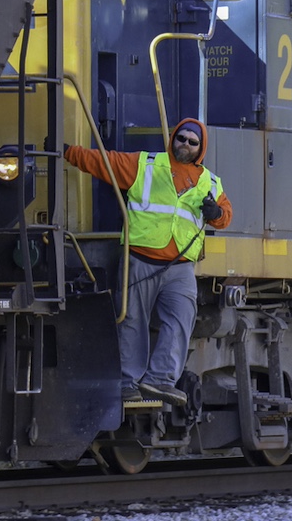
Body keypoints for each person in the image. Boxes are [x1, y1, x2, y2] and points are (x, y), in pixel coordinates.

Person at [62, 118, 231, 405]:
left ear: (201, 148)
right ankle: (128, 382)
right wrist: (66, 151)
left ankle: (161, 380)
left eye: (193, 142)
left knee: (180, 320)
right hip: (139, 261)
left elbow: (225, 215)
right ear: (172, 139)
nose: (185, 145)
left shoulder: (210, 182)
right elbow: (103, 162)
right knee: (131, 321)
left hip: (179, 268)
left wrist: (216, 212)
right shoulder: (146, 165)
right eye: (181, 138)